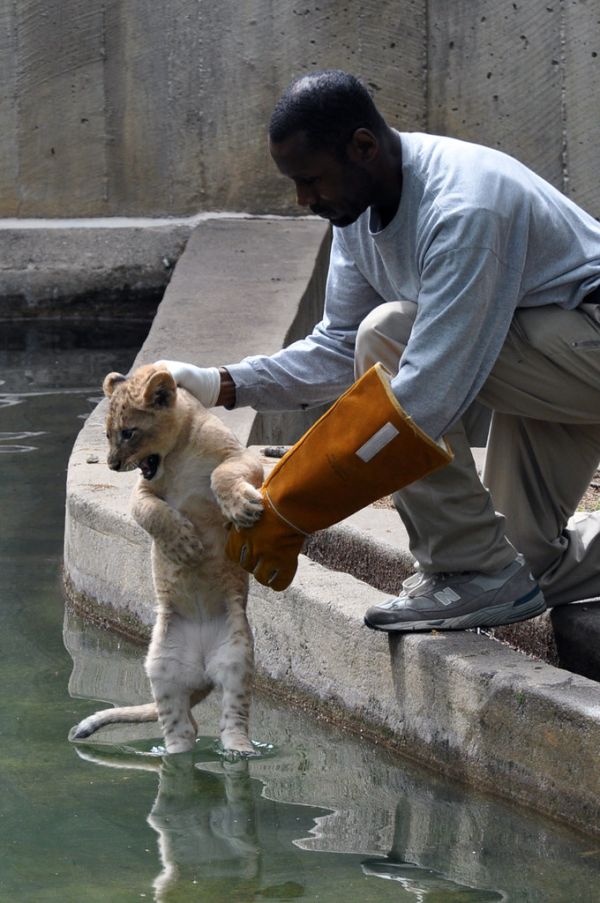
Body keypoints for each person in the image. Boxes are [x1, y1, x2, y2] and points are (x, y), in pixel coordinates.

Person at [159, 69, 600, 632]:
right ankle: (490, 571)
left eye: (311, 181)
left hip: (583, 341)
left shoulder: (464, 209)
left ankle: (469, 570)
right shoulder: (357, 207)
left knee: (389, 332)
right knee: (527, 564)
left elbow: (424, 399)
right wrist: (222, 382)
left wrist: (290, 505)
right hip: (549, 361)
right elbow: (336, 349)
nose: (303, 200)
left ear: (362, 147)